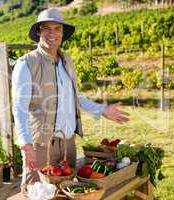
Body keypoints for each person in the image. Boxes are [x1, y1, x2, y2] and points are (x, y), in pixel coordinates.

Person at [11, 8, 129, 192]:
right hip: (41, 146)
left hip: (68, 145)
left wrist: (102, 110)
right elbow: (19, 108)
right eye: (47, 28)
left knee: (69, 193)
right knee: (37, 193)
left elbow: (76, 96)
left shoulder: (67, 61)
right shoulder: (26, 63)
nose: (52, 33)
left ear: (62, 33)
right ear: (38, 32)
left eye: (57, 28)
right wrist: (25, 145)